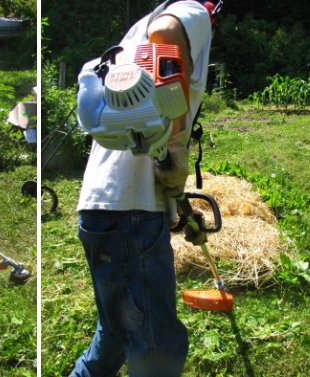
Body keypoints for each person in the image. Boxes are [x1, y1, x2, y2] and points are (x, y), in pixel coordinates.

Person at [71, 1, 214, 376]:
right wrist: (176, 146)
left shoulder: (136, 28)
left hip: (105, 204)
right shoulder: (192, 10)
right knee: (156, 348)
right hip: (129, 212)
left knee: (116, 334)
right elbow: (166, 36)